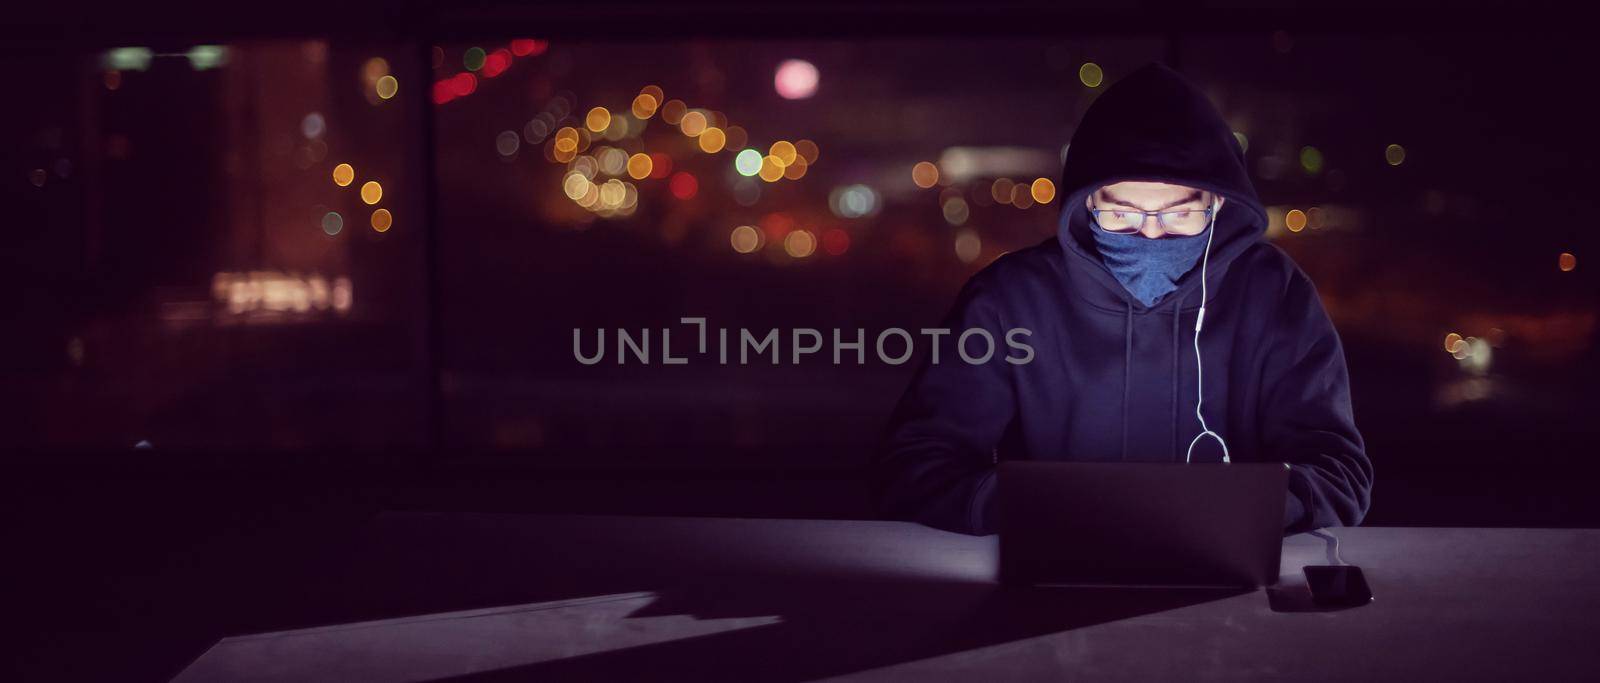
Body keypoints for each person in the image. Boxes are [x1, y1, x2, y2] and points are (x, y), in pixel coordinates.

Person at [872, 62, 1372, 536]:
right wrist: (1031, 512)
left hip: (1235, 591)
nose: (1149, 236)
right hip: (1048, 583)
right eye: (1123, 215)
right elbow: (915, 464)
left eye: (1177, 216)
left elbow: (1340, 473)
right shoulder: (1009, 300)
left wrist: (1248, 512)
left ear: (1217, 203)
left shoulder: (1274, 295)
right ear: (1088, 202)